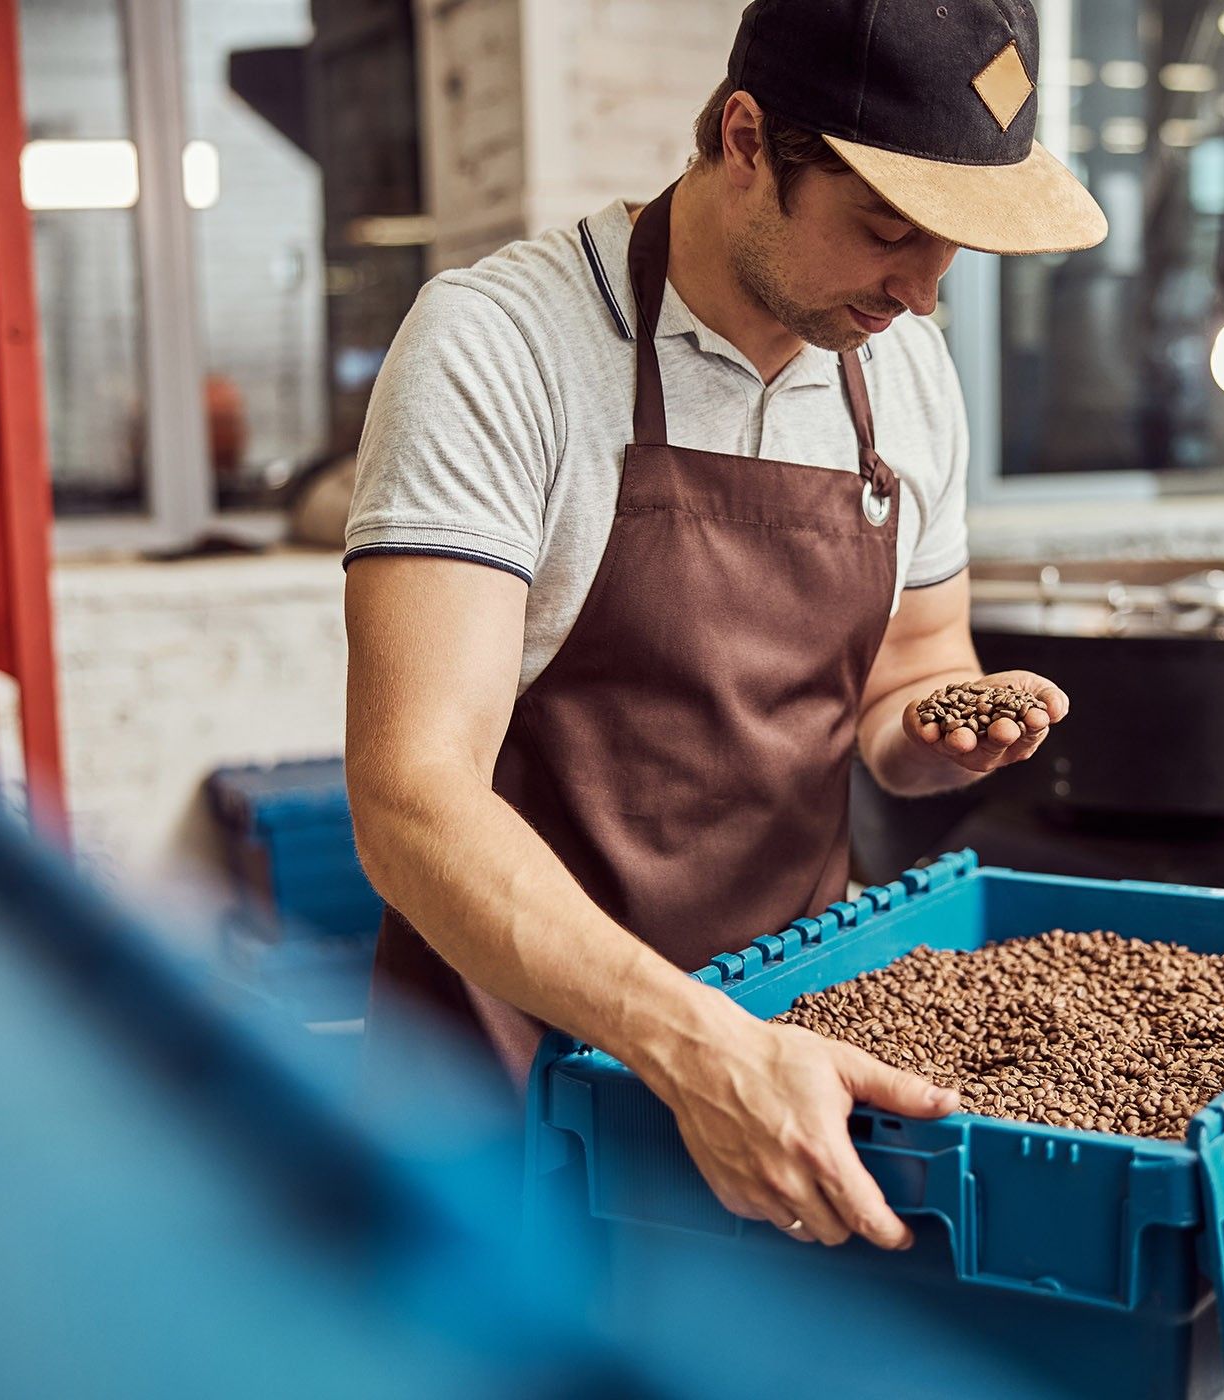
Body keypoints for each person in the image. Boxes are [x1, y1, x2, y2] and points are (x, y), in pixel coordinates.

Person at [342, 0, 1106, 1253]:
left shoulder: (906, 371)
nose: (920, 293)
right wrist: (696, 1044)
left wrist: (941, 724)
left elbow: (913, 668)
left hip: (791, 1058)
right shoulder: (501, 348)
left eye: (952, 250)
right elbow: (412, 798)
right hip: (510, 1083)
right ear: (747, 137)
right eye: (887, 230)